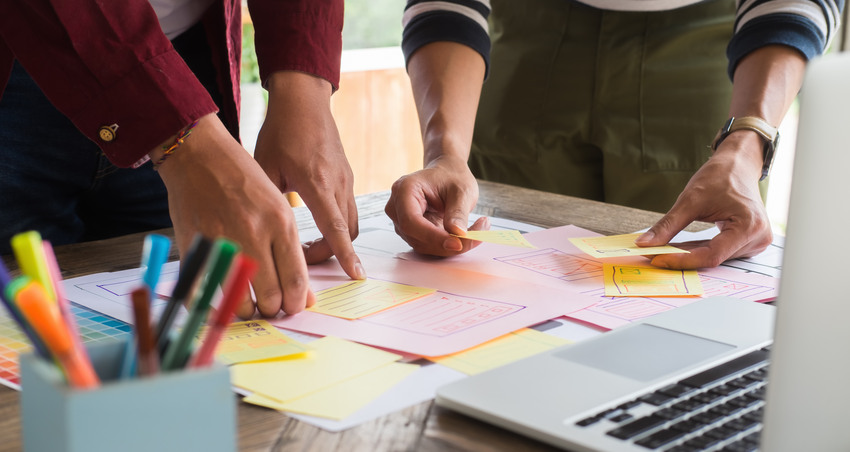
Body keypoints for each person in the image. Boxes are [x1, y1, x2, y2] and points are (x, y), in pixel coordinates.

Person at [386, 0, 842, 269]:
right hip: (530, 34)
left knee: (688, 284)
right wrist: (444, 152)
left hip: (712, 41)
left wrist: (746, 141)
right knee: (508, 275)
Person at [0, 0, 364, 319]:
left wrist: (303, 90)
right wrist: (183, 137)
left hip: (186, 60)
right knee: (25, 345)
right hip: (16, 69)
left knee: (173, 335)